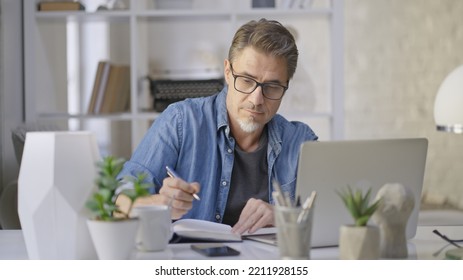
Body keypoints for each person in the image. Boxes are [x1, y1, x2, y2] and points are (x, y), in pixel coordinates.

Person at [117, 18, 318, 234]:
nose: (256, 99)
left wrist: (284, 216)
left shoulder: (300, 141)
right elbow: (119, 204)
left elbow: (332, 217)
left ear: (286, 86)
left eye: (272, 86)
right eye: (246, 80)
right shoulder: (181, 122)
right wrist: (160, 203)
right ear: (228, 72)